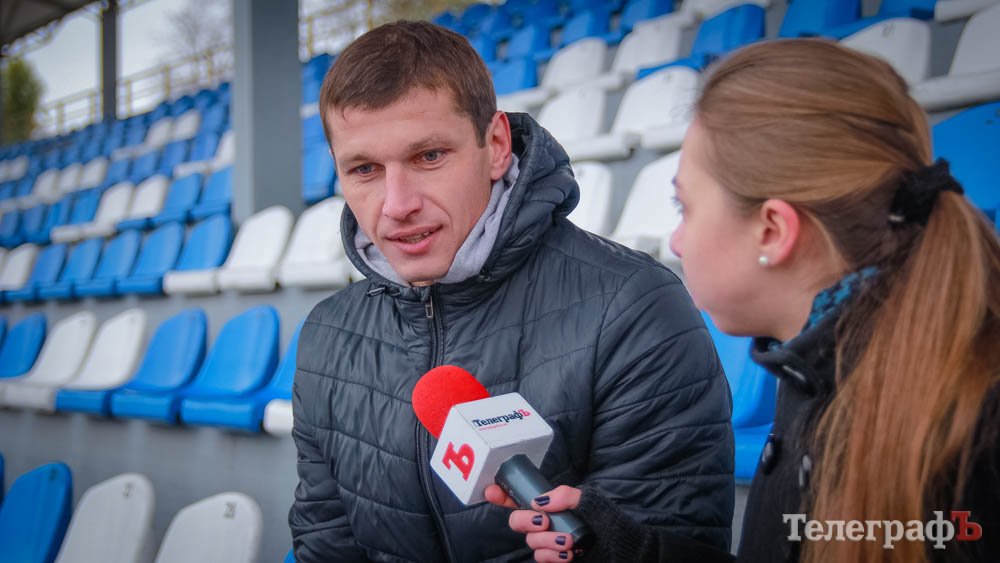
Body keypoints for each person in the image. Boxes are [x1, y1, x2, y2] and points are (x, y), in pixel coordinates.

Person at [487, 38, 1000, 562]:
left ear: (773, 231)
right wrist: (632, 550)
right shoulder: (821, 370)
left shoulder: (973, 441)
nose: (677, 242)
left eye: (683, 207)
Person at [288, 21, 736, 562]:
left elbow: (669, 544)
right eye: (365, 169)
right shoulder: (326, 334)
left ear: (496, 145)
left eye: (429, 156)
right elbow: (324, 543)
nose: (398, 204)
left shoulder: (634, 308)